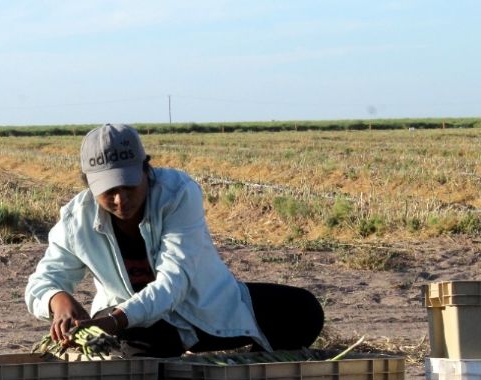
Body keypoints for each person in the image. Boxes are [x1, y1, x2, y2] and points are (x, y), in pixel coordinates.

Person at [25, 124, 323, 357]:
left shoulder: (178, 194)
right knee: (137, 343)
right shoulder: (76, 219)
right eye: (108, 190)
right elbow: (41, 282)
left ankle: (245, 371)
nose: (120, 199)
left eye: (129, 185)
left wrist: (115, 321)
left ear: (146, 170)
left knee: (304, 312)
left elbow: (174, 283)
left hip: (202, 311)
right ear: (88, 184)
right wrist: (57, 300)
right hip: (136, 325)